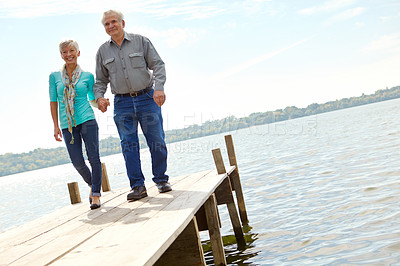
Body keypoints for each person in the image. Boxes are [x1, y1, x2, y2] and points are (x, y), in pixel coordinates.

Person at [94, 10, 171, 201]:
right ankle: (137, 186)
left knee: (157, 140)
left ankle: (161, 180)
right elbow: (100, 80)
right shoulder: (102, 51)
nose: (111, 26)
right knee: (128, 145)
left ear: (122, 23)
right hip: (122, 103)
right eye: (107, 24)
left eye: (114, 22)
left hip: (147, 97)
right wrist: (100, 98)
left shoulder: (141, 41)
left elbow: (158, 65)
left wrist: (159, 88)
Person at [49, 40, 102, 210]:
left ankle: (95, 195)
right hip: (67, 125)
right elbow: (53, 102)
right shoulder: (54, 77)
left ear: (78, 53)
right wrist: (56, 126)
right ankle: (92, 185)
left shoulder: (87, 76)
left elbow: (92, 99)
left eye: (72, 50)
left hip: (87, 120)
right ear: (61, 55)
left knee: (94, 158)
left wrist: (101, 103)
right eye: (65, 52)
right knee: (77, 161)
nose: (68, 54)